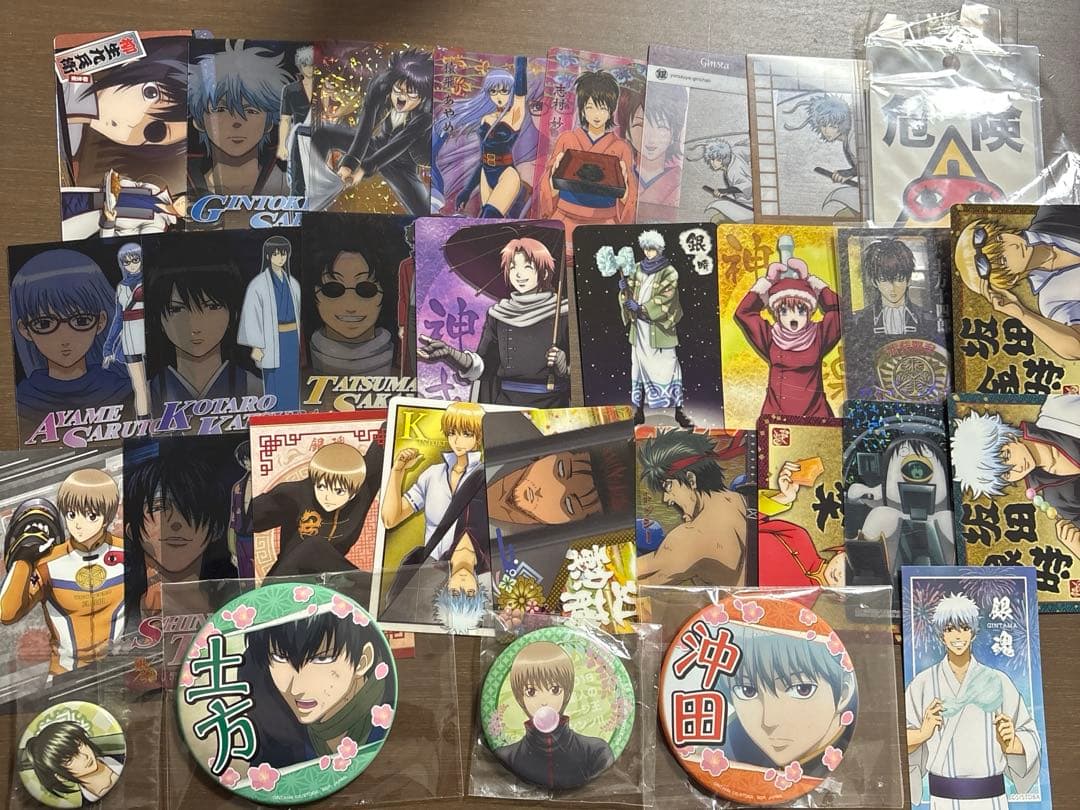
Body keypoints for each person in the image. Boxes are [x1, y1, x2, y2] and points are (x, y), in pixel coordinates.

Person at [905, 592, 1042, 807]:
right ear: (941, 635)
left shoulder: (998, 681)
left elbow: (1030, 735)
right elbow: (899, 742)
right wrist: (923, 733)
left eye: (964, 628)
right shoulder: (922, 683)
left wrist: (1011, 741)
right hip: (943, 800)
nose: (958, 636)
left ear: (974, 632)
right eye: (950, 629)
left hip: (992, 799)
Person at [58, 37, 187, 238]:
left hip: (86, 216)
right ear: (134, 63)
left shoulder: (157, 224)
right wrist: (116, 183)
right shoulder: (72, 70)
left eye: (153, 132)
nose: (134, 122)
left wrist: (108, 221)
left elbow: (116, 242)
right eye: (150, 93)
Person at [417, 237, 570, 407]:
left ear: (545, 272)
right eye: (513, 267)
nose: (519, 274)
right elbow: (484, 365)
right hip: (505, 404)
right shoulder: (500, 314)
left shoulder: (563, 313)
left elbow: (584, 371)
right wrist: (450, 354)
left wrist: (564, 368)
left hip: (552, 406)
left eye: (527, 267)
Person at [0, 470, 124, 675]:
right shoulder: (48, 563)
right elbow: (7, 614)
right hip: (65, 674)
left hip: (118, 669)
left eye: (91, 515)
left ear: (107, 516)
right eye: (71, 514)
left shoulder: (128, 553)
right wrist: (24, 560)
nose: (78, 524)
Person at [239, 611, 394, 768]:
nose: (296, 689)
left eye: (322, 658)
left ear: (363, 661)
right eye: (280, 657)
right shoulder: (262, 690)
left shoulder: (385, 723)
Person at [10, 249, 132, 436]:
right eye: (44, 324)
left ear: (101, 322)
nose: (64, 338)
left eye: (81, 321)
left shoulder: (123, 389)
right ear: (24, 330)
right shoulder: (21, 401)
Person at [123, 441, 236, 626]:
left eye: (191, 509)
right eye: (159, 507)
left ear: (215, 529)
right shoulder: (117, 617)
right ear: (132, 530)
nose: (175, 523)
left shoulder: (238, 606)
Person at [716, 623, 856, 772]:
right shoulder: (728, 749)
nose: (769, 721)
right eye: (747, 691)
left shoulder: (857, 754)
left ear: (844, 692)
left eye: (802, 689)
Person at [952, 396, 1080, 557]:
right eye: (1007, 473)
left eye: (1006, 456)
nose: (1017, 467)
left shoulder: (1057, 410)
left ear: (1009, 437)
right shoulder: (1057, 498)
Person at [953, 206, 1080, 362]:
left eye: (1000, 239)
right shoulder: (1051, 298)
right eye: (1003, 260)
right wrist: (1022, 314)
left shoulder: (1051, 215)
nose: (1013, 247)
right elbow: (1077, 347)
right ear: (1009, 279)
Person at [535, 70, 637, 249]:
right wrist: (552, 179)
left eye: (602, 108)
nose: (596, 115)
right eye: (590, 107)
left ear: (611, 111)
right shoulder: (567, 139)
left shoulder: (621, 148)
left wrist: (625, 191)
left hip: (604, 222)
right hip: (565, 216)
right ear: (582, 109)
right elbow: (547, 182)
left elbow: (630, 195)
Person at [493, 641, 614, 789]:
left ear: (566, 692)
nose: (544, 701)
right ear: (520, 698)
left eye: (555, 689)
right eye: (531, 691)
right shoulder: (506, 756)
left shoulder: (597, 752)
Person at [735, 253, 841, 418]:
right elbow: (743, 313)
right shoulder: (771, 338)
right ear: (776, 313)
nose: (793, 318)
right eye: (784, 311)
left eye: (801, 310)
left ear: (809, 311)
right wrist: (767, 282)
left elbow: (840, 311)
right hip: (777, 418)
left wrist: (811, 280)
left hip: (816, 415)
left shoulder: (818, 336)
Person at [253, 441, 383, 576]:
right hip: (285, 579)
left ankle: (369, 585)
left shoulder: (364, 489)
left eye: (338, 491)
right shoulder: (294, 495)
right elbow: (249, 518)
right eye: (321, 487)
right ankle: (366, 582)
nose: (327, 496)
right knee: (314, 546)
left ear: (353, 493)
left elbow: (384, 442)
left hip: (327, 582)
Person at [637, 430, 747, 585]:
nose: (666, 499)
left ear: (691, 479)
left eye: (667, 486)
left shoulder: (692, 536)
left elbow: (626, 582)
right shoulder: (741, 500)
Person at [434, 57, 536, 218]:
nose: (498, 96)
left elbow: (520, 95)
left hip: (507, 174)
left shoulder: (514, 116)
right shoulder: (485, 119)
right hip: (485, 174)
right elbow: (483, 159)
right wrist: (467, 190)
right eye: (493, 91)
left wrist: (521, 62)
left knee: (488, 217)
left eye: (504, 90)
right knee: (486, 223)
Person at [188, 39, 291, 199]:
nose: (236, 122)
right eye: (220, 109)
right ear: (199, 121)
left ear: (269, 123)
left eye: (251, 110)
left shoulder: (290, 184)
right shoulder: (181, 179)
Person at [335, 49, 434, 215]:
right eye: (398, 90)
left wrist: (364, 168)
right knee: (323, 133)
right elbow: (365, 127)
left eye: (410, 93)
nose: (402, 97)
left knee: (423, 212)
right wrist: (349, 163)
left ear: (422, 97)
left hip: (414, 154)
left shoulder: (427, 111)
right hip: (382, 141)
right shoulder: (380, 86)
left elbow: (404, 140)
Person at [146, 261, 259, 404]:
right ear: (158, 319)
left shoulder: (256, 389)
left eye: (212, 306)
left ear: (234, 314)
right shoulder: (146, 395)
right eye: (177, 309)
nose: (194, 326)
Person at [381, 402, 484, 555]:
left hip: (470, 566)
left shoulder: (487, 477)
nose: (457, 440)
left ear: (479, 436)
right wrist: (397, 471)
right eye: (452, 432)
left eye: (466, 433)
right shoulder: (433, 475)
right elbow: (390, 520)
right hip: (432, 565)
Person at [616, 229, 692, 427]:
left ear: (659, 249)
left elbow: (667, 298)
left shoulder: (670, 271)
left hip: (659, 329)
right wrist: (624, 290)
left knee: (671, 368)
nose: (648, 252)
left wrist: (642, 308)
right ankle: (638, 411)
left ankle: (679, 412)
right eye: (646, 248)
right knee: (639, 368)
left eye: (652, 249)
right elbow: (629, 292)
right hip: (639, 330)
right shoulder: (637, 268)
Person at [307, 237, 400, 378]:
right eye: (333, 289)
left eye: (366, 289)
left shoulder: (405, 370)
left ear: (384, 293)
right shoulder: (296, 372)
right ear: (314, 293)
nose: (350, 306)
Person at [758, 459, 847, 586]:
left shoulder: (803, 597)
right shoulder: (799, 536)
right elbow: (749, 520)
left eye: (850, 580)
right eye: (846, 566)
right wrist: (784, 497)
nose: (841, 574)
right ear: (841, 552)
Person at [239, 235, 302, 411]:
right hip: (271, 338)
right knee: (274, 378)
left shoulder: (293, 283)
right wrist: (256, 345)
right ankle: (276, 414)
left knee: (292, 377)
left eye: (283, 254)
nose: (280, 258)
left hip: (292, 337)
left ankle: (293, 413)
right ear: (267, 256)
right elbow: (252, 315)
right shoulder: (258, 284)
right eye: (275, 254)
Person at [783, 92, 859, 217]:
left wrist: (850, 172)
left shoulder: (853, 139)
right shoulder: (848, 139)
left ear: (843, 124)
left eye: (833, 126)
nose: (827, 131)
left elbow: (872, 165)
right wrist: (851, 172)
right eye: (823, 125)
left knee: (842, 217)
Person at [850, 239, 939, 339]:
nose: (892, 287)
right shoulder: (860, 320)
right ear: (874, 282)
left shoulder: (925, 318)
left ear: (908, 280)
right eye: (884, 280)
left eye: (899, 279)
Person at [102, 242, 150, 418]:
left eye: (135, 260)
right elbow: (118, 318)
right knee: (139, 386)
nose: (131, 265)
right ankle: (144, 424)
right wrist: (108, 347)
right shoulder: (122, 287)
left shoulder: (150, 279)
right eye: (127, 262)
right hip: (130, 341)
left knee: (153, 383)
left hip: (148, 336)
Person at [24, 721, 123, 804]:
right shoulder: (90, 804)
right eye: (69, 760)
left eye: (79, 745)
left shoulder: (123, 759)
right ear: (60, 776)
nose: (84, 756)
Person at [627, 82, 686, 221]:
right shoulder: (620, 174)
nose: (650, 137)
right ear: (627, 131)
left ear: (675, 134)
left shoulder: (678, 181)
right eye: (640, 124)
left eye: (661, 126)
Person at [277, 45, 315, 197]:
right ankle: (296, 210)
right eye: (306, 65)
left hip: (323, 138)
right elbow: (285, 120)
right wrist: (282, 145)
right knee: (298, 182)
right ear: (300, 66)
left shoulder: (327, 87)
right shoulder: (290, 90)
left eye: (312, 65)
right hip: (299, 138)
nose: (309, 69)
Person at [229, 442, 255, 578]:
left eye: (249, 458)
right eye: (244, 459)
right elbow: (233, 520)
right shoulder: (238, 487)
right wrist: (233, 551)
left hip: (259, 539)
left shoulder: (267, 484)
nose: (247, 463)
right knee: (245, 581)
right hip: (241, 540)